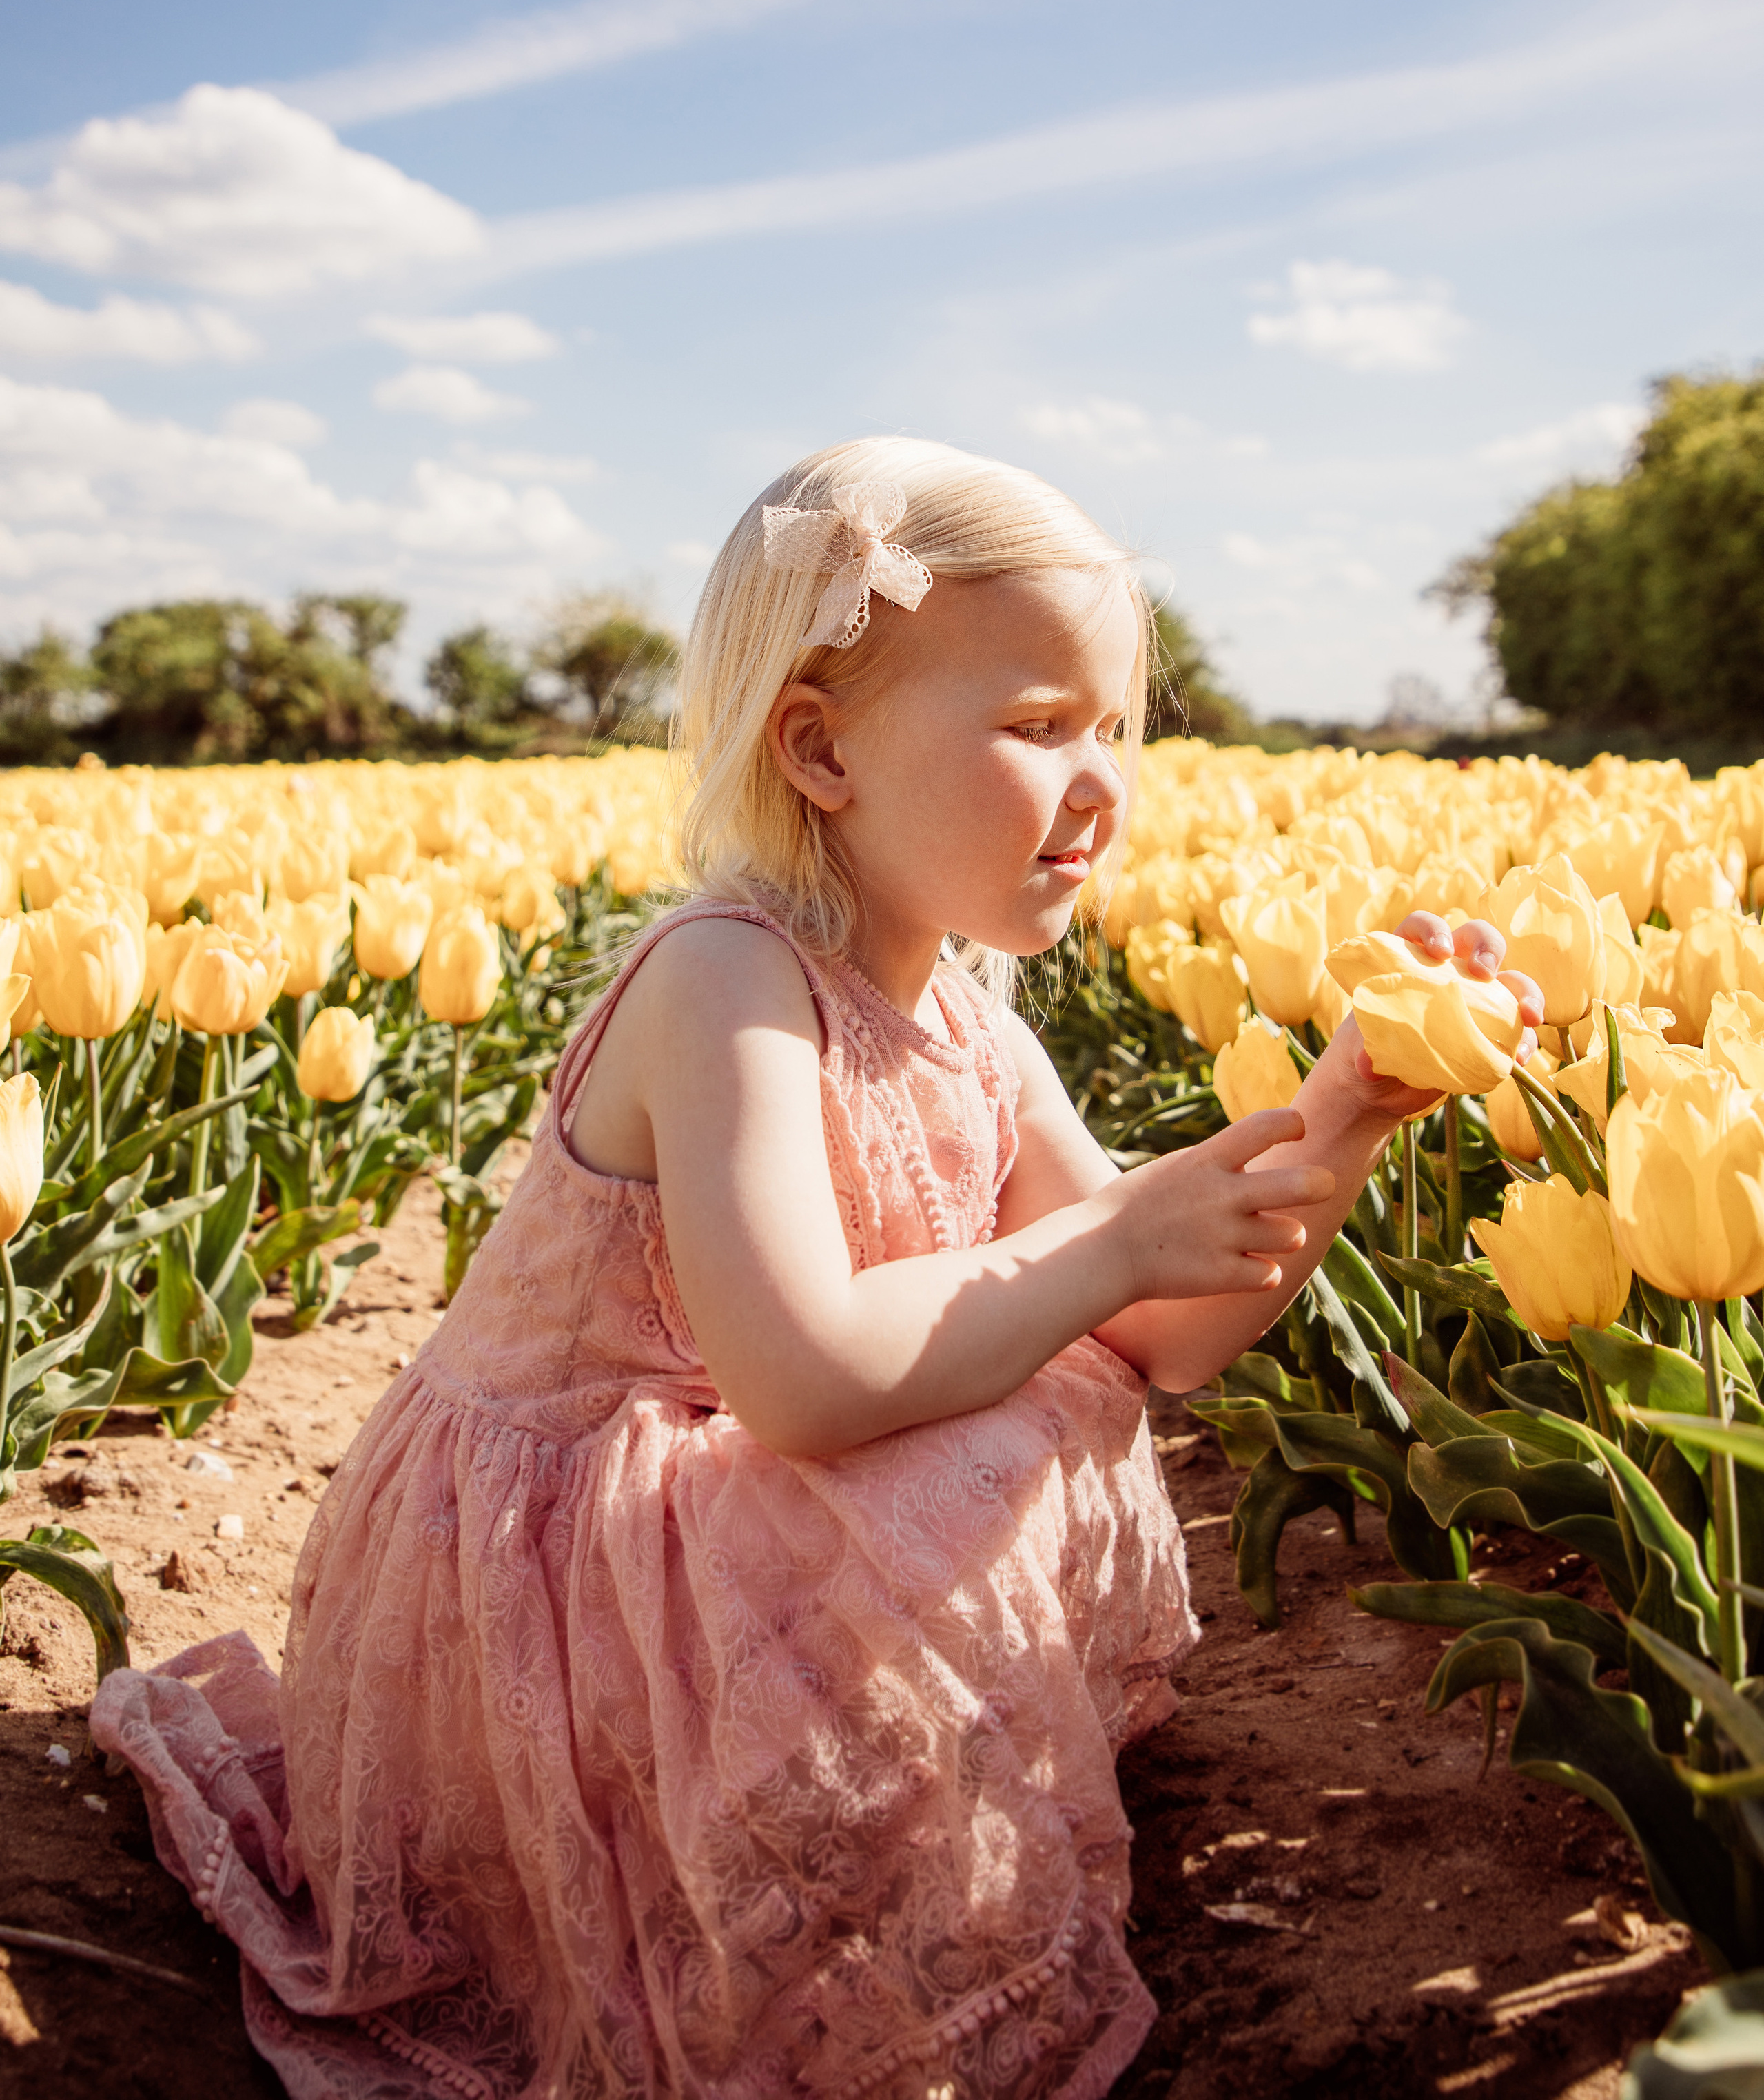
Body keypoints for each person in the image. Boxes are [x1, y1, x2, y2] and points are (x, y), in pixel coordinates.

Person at [93, 437, 1539, 2100]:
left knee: (1065, 1381)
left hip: (720, 1522)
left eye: (1115, 730)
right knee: (975, 1427)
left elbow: (1172, 1336)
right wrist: (1112, 1236)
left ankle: (862, 1848)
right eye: (1035, 726)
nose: (1100, 786)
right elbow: (801, 1380)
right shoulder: (725, 980)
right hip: (566, 1579)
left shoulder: (977, 1025)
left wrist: (1345, 1115)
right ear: (817, 747)